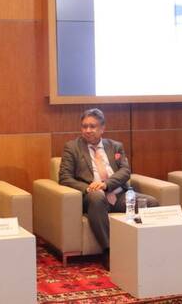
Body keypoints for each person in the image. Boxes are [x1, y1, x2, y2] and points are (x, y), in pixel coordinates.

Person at [59, 108, 158, 254]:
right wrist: (88, 188)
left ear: (102, 128)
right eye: (84, 126)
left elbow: (125, 171)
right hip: (92, 197)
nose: (88, 130)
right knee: (97, 196)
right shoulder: (72, 147)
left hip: (118, 195)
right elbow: (64, 177)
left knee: (151, 203)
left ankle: (147, 248)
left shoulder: (115, 146)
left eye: (92, 126)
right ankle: (109, 250)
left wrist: (106, 184)